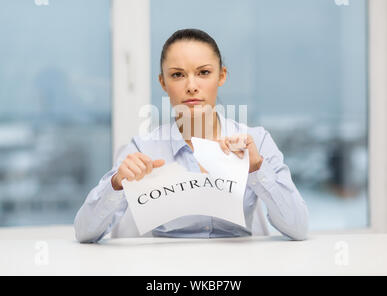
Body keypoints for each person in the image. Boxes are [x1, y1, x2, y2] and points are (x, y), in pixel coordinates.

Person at [74, 28, 309, 243]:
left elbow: (298, 228)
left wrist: (257, 168)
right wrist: (116, 183)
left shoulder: (256, 140)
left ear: (221, 76)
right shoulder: (144, 147)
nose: (191, 86)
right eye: (177, 75)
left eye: (204, 72)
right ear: (163, 82)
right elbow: (85, 234)